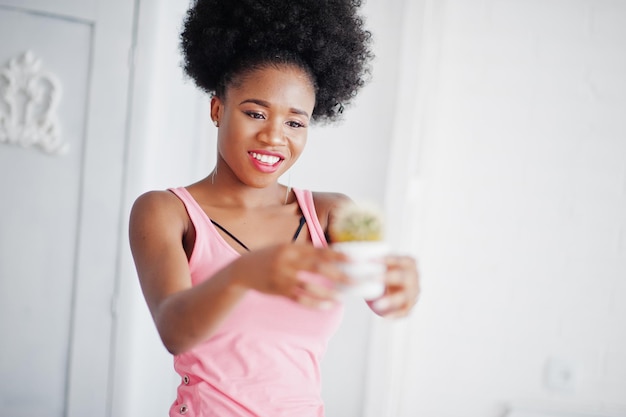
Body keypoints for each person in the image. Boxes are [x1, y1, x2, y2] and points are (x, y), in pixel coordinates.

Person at [128, 0, 420, 416]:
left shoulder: (332, 214)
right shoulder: (165, 212)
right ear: (217, 109)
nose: (273, 137)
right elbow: (174, 330)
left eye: (295, 123)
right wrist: (247, 272)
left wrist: (396, 286)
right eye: (255, 113)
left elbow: (380, 291)